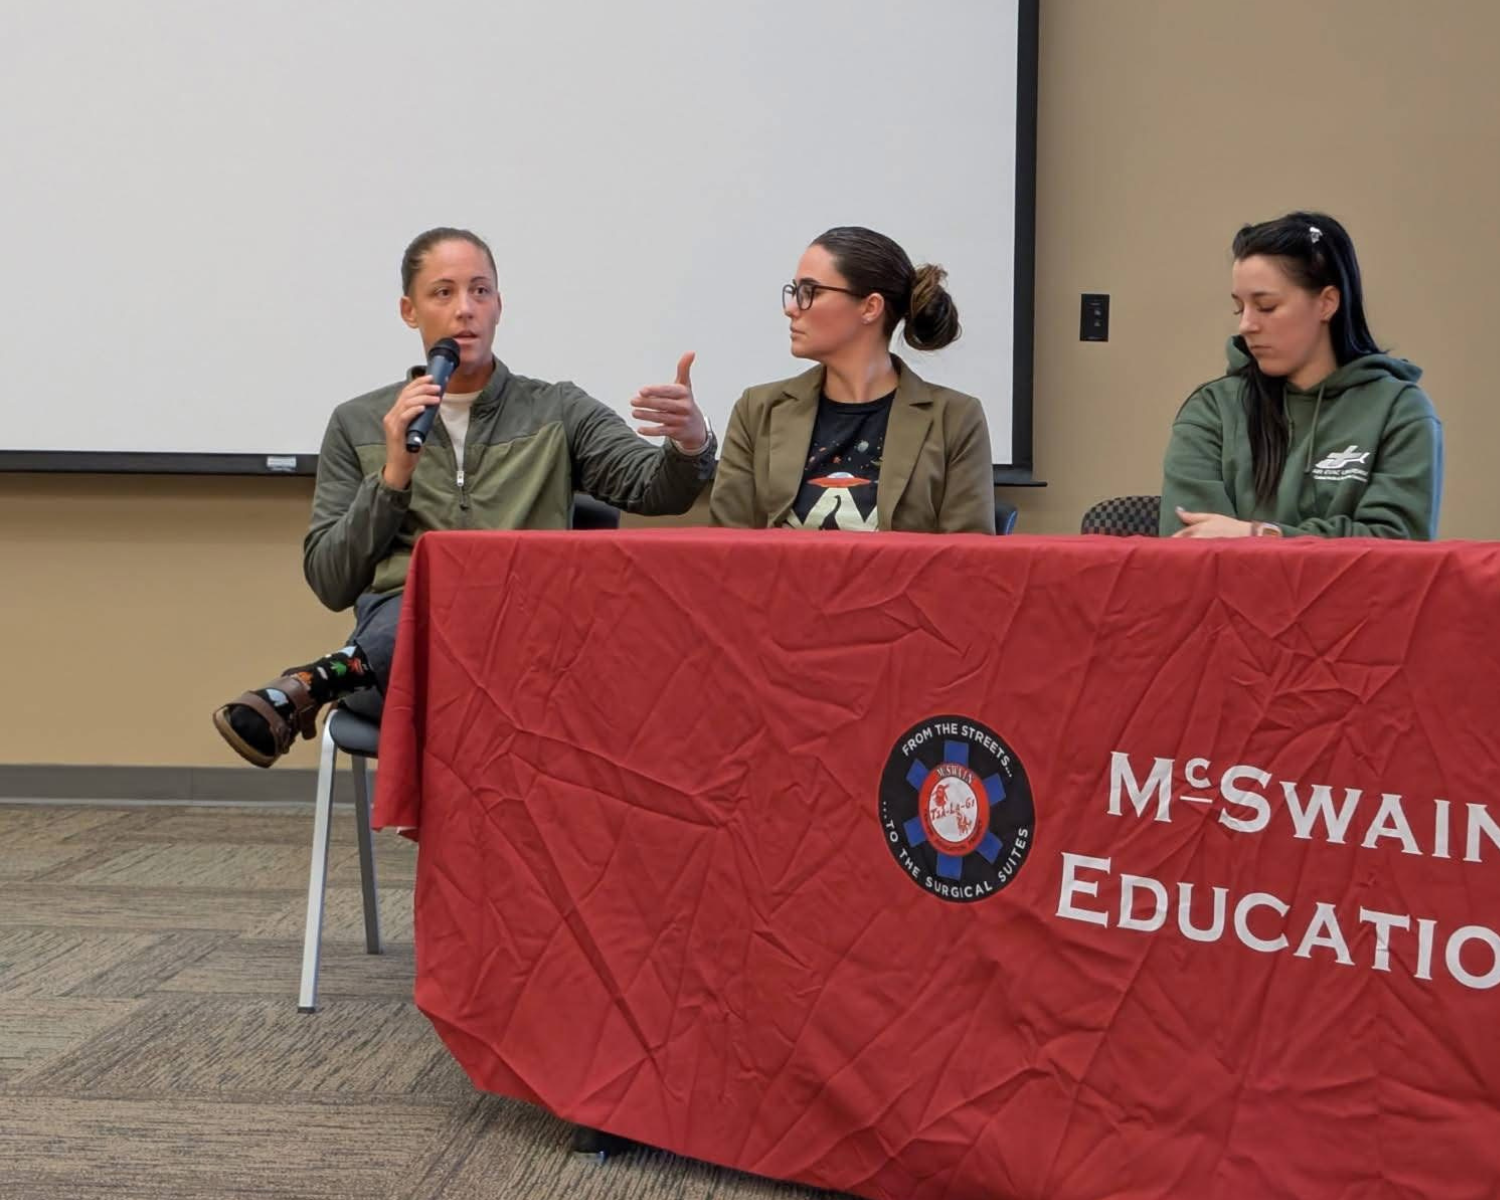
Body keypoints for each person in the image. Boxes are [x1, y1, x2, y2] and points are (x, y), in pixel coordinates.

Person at [213, 226, 716, 767]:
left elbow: (654, 489)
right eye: (443, 292)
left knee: (475, 612)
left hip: (533, 644)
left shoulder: (557, 409)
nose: (465, 310)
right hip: (407, 652)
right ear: (410, 311)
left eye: (480, 291)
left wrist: (690, 441)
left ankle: (321, 680)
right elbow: (331, 580)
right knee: (428, 602)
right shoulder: (359, 422)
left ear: (499, 305)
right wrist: (392, 477)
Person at [1161, 211, 1442, 539]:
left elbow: (1396, 549)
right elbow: (1192, 550)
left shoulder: (1400, 411)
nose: (1246, 325)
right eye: (1240, 307)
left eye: (1265, 307)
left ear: (1326, 303)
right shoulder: (1212, 410)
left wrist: (1258, 535)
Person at [697, 225, 995, 533]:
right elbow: (728, 551)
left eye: (811, 292)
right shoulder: (758, 411)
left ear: (870, 307)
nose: (791, 308)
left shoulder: (955, 419)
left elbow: (968, 561)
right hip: (777, 583)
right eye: (794, 291)